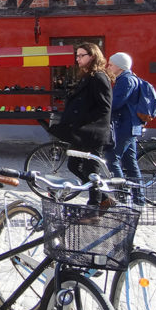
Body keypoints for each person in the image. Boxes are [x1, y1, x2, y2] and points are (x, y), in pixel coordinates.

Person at [48, 42, 113, 206]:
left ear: (92, 56)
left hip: (93, 133)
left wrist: (83, 120)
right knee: (74, 164)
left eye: (81, 55)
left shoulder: (98, 77)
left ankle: (94, 208)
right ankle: (104, 198)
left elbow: (105, 107)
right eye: (77, 55)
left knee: (92, 171)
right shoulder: (88, 76)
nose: (77, 59)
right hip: (82, 133)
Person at [106, 52, 144, 201]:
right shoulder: (130, 78)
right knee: (130, 163)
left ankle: (122, 196)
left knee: (112, 159)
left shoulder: (125, 80)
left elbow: (115, 104)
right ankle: (138, 199)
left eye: (111, 64)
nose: (108, 66)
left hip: (124, 126)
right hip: (130, 125)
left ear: (120, 66)